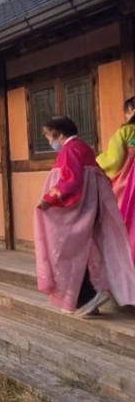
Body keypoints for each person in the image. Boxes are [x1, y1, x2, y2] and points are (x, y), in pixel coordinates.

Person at [34, 117, 135, 315]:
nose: (49, 141)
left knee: (66, 252)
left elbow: (71, 180)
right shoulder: (84, 148)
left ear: (59, 134)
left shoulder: (70, 150)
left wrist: (49, 199)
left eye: (48, 136)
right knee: (84, 252)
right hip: (90, 208)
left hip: (77, 211)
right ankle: (88, 301)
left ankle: (88, 297)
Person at [96, 97, 135, 263]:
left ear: (131, 110)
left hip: (128, 186)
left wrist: (95, 162)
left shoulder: (126, 132)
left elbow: (114, 160)